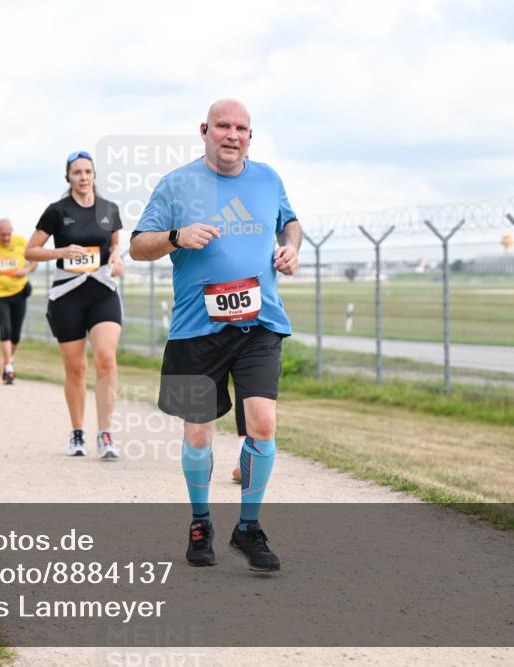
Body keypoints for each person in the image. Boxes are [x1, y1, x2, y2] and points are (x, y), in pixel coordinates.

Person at [129, 99, 302, 573]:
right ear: (204, 130)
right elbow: (138, 245)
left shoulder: (267, 179)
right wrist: (176, 237)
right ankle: (201, 520)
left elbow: (290, 221)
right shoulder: (176, 184)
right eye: (222, 126)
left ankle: (248, 527)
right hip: (196, 329)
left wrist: (289, 248)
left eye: (241, 128)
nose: (232, 134)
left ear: (251, 136)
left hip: (259, 323)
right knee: (199, 434)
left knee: (262, 423)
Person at [25, 150, 124, 459]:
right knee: (76, 368)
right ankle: (77, 433)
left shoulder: (109, 209)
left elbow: (116, 243)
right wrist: (62, 252)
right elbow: (31, 251)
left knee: (106, 359)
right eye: (77, 172)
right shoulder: (57, 211)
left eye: (88, 172)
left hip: (102, 290)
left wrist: (117, 258)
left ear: (95, 175)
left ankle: (105, 434)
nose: (83, 177)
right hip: (67, 294)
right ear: (68, 177)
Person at [0, 218, 36, 384]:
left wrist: (26, 270)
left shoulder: (21, 242)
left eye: (9, 234)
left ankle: (6, 361)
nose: (7, 238)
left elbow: (34, 261)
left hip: (19, 291)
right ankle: (9, 368)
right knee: (5, 329)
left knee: (16, 335)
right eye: (3, 235)